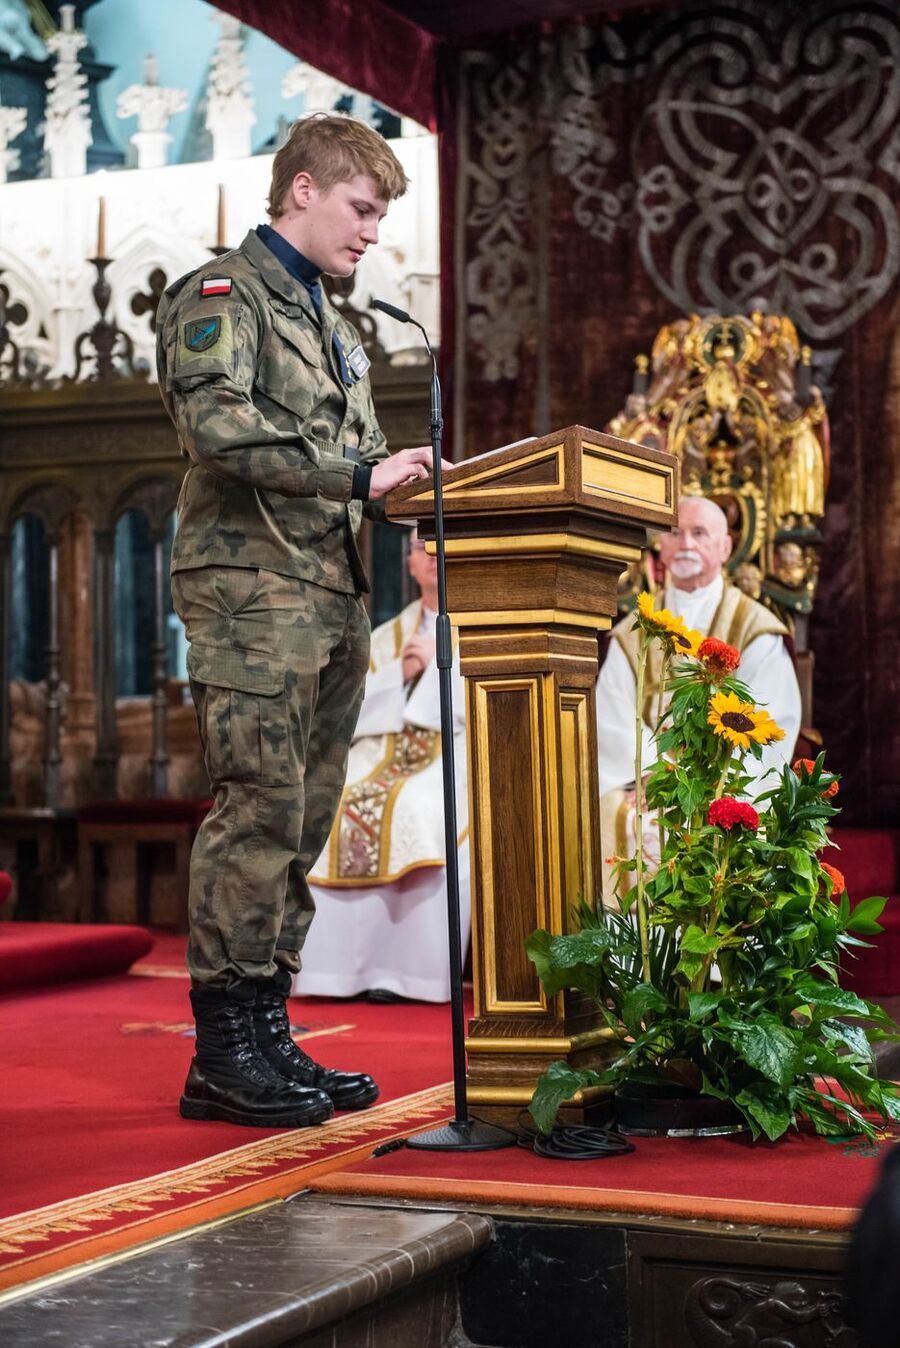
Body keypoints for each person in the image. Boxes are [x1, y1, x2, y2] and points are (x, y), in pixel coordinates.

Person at [156, 114, 440, 1129]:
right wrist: (365, 473)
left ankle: (267, 1032)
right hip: (251, 598)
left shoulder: (335, 323)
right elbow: (219, 426)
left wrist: (417, 489)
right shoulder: (221, 296)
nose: (371, 233)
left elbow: (354, 464)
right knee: (259, 811)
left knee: (306, 818)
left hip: (326, 596)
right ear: (304, 190)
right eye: (362, 210)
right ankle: (225, 1051)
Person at [597, 495, 802, 903]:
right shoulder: (631, 635)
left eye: (699, 533)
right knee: (610, 813)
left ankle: (712, 962)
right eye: (675, 533)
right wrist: (657, 775)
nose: (686, 543)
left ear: (725, 548)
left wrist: (706, 779)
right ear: (661, 546)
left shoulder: (755, 630)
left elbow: (771, 719)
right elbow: (612, 716)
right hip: (647, 786)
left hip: (729, 783)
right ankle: (636, 960)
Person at [294, 531, 469, 1003]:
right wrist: (401, 674)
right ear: (409, 563)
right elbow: (348, 710)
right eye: (420, 547)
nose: (432, 554)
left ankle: (412, 976)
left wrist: (438, 668)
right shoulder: (387, 636)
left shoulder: (483, 627)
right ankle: (337, 975)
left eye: (440, 543)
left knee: (414, 806)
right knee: (334, 804)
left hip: (455, 748)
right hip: (383, 750)